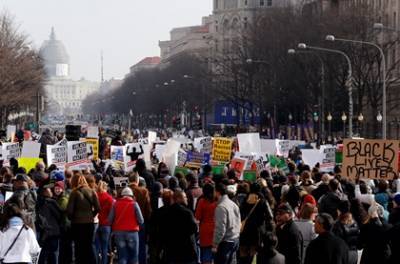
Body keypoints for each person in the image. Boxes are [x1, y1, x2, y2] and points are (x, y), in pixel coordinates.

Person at [67, 173, 100, 264]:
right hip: (89, 223)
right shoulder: (92, 191)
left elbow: (69, 211)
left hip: (77, 224)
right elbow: (98, 208)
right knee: (89, 246)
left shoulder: (74, 193)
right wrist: (91, 216)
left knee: (79, 248)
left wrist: (71, 218)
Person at [239, 182, 274, 264]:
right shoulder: (262, 200)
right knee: (253, 252)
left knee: (243, 252)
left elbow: (239, 213)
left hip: (244, 229)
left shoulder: (245, 200)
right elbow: (270, 216)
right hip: (257, 231)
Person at [161, 190, 198, 264]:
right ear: (178, 199)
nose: (187, 198)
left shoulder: (166, 212)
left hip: (171, 250)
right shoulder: (187, 212)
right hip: (187, 250)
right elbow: (194, 228)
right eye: (184, 197)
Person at [109, 187, 144, 264]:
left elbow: (109, 220)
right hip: (132, 233)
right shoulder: (135, 204)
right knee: (134, 258)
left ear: (122, 195)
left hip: (119, 233)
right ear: (131, 195)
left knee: (122, 257)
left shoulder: (115, 204)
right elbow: (141, 220)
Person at [213, 183, 241, 264]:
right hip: (235, 240)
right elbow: (238, 222)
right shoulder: (233, 204)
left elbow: (220, 228)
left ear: (218, 192)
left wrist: (215, 244)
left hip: (226, 243)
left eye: (214, 191)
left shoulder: (221, 207)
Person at [128, 172, 152, 264]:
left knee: (128, 247)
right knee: (141, 245)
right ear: (137, 180)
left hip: (126, 222)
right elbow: (148, 209)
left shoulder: (123, 191)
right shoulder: (144, 191)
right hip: (141, 222)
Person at [36, 186, 62, 264]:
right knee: (54, 254)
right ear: (44, 192)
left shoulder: (38, 202)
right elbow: (59, 215)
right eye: (49, 190)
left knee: (43, 253)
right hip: (53, 231)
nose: (51, 191)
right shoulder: (51, 202)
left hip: (43, 232)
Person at [195, 183, 217, 264]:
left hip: (205, 230)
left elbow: (197, 216)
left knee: (206, 256)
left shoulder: (202, 201)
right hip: (216, 230)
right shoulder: (217, 201)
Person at [96, 181, 114, 264]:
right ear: (106, 188)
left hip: (97, 223)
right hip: (106, 225)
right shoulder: (109, 198)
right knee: (105, 247)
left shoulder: (95, 196)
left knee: (97, 246)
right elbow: (112, 212)